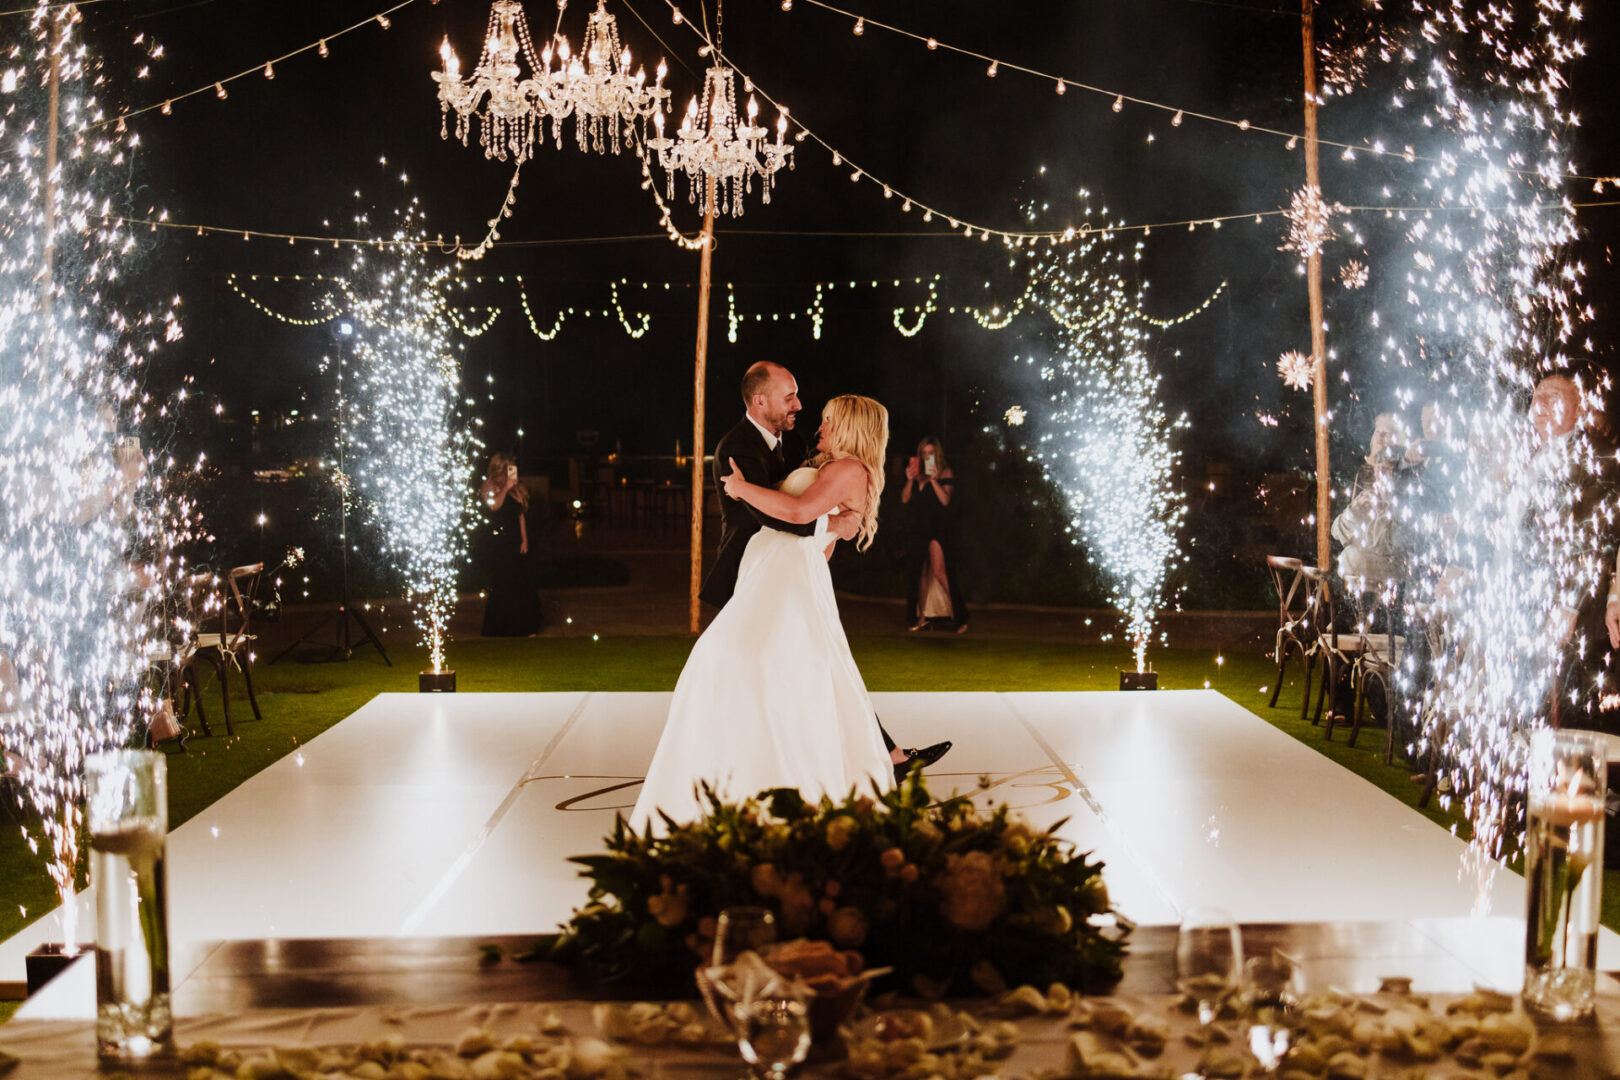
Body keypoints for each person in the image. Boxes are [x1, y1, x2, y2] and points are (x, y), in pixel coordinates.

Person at [628, 395, 897, 833]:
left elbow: (796, 512)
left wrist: (740, 489)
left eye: (828, 421)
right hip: (773, 578)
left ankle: (778, 780)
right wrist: (822, 536)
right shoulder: (831, 467)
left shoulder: (849, 471)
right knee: (748, 672)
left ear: (849, 427)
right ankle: (745, 773)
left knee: (738, 665)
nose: (818, 427)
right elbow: (819, 534)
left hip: (783, 585)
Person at [700, 362, 950, 781]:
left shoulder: (802, 446)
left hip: (784, 574)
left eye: (800, 397)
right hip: (750, 572)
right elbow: (770, 517)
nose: (800, 406)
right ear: (760, 401)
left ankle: (832, 761)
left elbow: (807, 503)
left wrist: (825, 536)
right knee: (789, 670)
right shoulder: (735, 447)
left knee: (812, 666)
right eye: (789, 397)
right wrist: (830, 526)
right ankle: (881, 756)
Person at [900, 435, 968, 633]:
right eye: (923, 452)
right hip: (919, 527)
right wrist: (909, 480)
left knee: (939, 572)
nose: (927, 456)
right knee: (918, 574)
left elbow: (945, 501)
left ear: (936, 453)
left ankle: (960, 616)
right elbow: (905, 499)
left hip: (938, 528)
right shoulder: (916, 474)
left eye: (930, 452)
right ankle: (920, 618)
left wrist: (933, 480)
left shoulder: (945, 472)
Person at [1331, 413, 1405, 585]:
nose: (1380, 437)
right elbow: (1336, 531)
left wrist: (1382, 510)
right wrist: (1355, 510)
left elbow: (1391, 544)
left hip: (1385, 571)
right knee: (1348, 557)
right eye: (1378, 431)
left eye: (1386, 433)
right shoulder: (1357, 475)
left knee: (1351, 557)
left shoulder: (1402, 490)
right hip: (1349, 565)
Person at [479, 452, 541, 637]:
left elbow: (519, 513)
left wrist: (524, 538)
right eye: (508, 468)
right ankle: (500, 628)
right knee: (503, 583)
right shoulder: (489, 485)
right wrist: (505, 488)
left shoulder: (515, 487)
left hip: (514, 540)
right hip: (498, 541)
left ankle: (525, 627)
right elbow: (493, 507)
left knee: (521, 583)